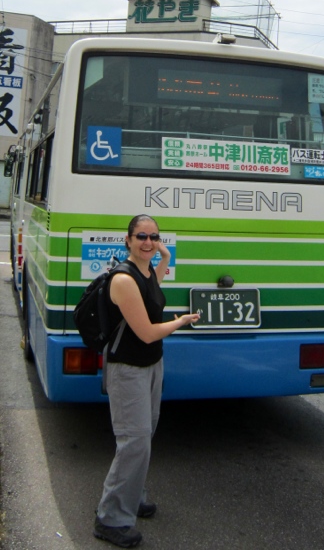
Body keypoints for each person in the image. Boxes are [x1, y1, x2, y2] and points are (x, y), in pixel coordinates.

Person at [93, 214, 199, 548]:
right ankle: (110, 518)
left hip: (152, 365)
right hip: (128, 369)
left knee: (144, 436)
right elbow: (148, 332)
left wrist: (164, 255)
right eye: (141, 236)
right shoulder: (124, 279)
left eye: (154, 236)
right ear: (127, 240)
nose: (148, 242)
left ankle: (132, 495)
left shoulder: (148, 271)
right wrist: (181, 321)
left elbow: (155, 291)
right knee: (134, 441)